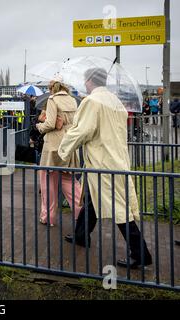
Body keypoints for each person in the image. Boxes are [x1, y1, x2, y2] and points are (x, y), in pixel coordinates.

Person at [58, 67, 153, 269]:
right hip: (116, 159)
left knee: (119, 210)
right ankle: (81, 235)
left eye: (85, 80)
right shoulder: (115, 101)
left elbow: (82, 131)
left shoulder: (92, 101)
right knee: (92, 200)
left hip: (103, 162)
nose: (84, 84)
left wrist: (63, 150)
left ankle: (141, 254)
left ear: (91, 80)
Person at [36, 80, 83, 226]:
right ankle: (81, 214)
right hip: (68, 144)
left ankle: (48, 217)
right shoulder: (72, 100)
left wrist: (39, 125)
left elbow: (49, 124)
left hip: (53, 145)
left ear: (51, 89)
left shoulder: (52, 100)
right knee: (69, 181)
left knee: (47, 182)